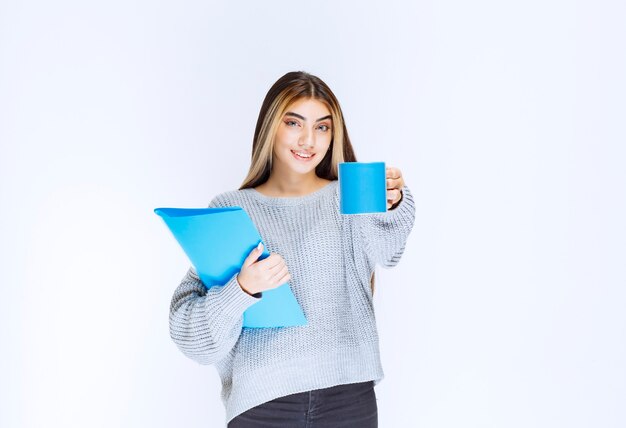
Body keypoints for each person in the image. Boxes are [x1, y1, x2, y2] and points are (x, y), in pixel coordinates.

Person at [168, 71, 416, 427]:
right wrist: (242, 289)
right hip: (263, 406)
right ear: (271, 126)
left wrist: (392, 205)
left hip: (348, 399)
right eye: (293, 122)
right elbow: (195, 340)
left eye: (322, 127)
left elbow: (389, 252)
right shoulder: (232, 211)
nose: (308, 140)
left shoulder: (348, 197)